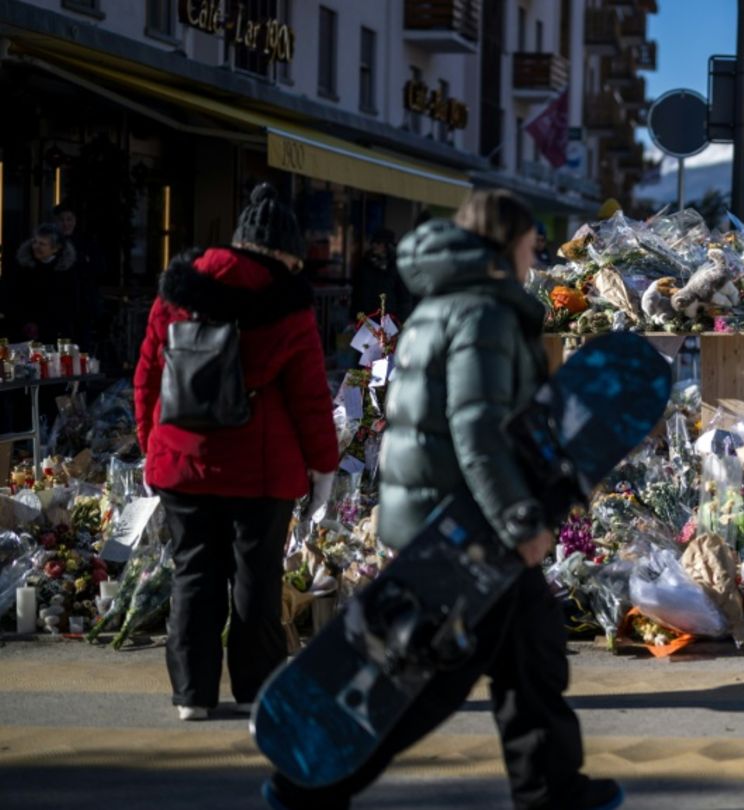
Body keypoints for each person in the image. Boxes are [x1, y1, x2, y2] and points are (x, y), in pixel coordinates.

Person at [263, 190, 622, 810]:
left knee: (531, 655)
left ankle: (553, 789)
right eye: (528, 244)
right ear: (503, 243)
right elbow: (476, 428)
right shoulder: (482, 313)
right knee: (431, 679)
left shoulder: (441, 301)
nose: (534, 256)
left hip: (453, 515)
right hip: (465, 526)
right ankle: (310, 787)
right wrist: (518, 518)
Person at [133, 183, 340, 722]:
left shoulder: (176, 289)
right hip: (261, 469)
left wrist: (150, 445)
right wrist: (324, 465)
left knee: (193, 573)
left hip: (181, 457)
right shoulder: (289, 303)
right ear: (280, 249)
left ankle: (192, 696)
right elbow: (310, 397)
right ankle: (256, 690)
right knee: (255, 579)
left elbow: (149, 375)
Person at [52, 200, 106, 349]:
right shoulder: (50, 243)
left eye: (69, 219)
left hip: (83, 304)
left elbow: (98, 269)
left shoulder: (86, 243)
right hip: (59, 304)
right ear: (56, 222)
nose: (65, 224)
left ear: (75, 221)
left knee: (82, 346)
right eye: (62, 220)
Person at [351, 229, 414, 324]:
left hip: (390, 320)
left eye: (379, 243)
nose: (374, 246)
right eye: (373, 242)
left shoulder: (396, 267)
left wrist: (400, 319)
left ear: (387, 246)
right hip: (366, 320)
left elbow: (404, 297)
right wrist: (354, 316)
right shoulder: (364, 265)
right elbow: (357, 294)